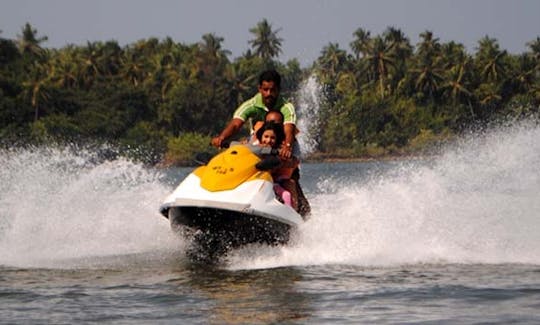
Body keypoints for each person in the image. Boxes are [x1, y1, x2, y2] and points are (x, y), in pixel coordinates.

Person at [211, 69, 296, 160]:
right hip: (258, 142)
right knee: (259, 125)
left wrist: (287, 146)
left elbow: (289, 131)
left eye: (272, 90)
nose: (268, 94)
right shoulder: (250, 105)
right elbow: (235, 124)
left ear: (278, 90)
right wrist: (221, 138)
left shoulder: (287, 107)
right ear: (259, 89)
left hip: (282, 143)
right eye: (265, 90)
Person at [255, 122, 299, 210]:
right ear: (261, 137)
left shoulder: (279, 151)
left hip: (272, 182)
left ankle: (290, 214)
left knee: (287, 194)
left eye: (272, 138)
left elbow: (292, 161)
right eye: (266, 137)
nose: (268, 141)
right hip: (254, 179)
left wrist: (283, 159)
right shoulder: (254, 147)